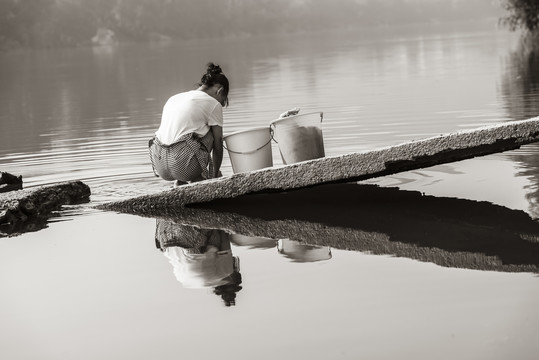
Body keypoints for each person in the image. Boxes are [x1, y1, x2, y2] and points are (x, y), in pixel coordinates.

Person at [149, 63, 229, 185]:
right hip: (183, 165)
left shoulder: (174, 98)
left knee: (187, 135)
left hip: (160, 164)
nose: (221, 105)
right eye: (223, 101)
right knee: (214, 136)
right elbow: (218, 145)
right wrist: (214, 175)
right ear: (220, 91)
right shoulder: (213, 103)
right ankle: (200, 177)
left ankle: (180, 182)